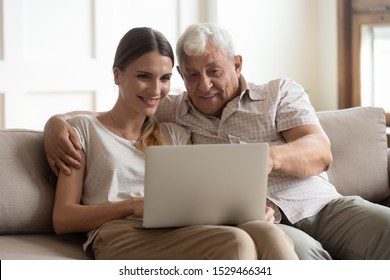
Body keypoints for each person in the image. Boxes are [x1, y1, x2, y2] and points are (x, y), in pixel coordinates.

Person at [46, 23, 390, 260]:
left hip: (318, 205)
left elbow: (320, 151)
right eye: (192, 74)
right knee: (287, 249)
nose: (204, 84)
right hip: (250, 219)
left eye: (214, 71)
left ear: (237, 64)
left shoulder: (275, 94)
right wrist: (54, 124)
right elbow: (105, 117)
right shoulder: (170, 112)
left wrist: (264, 159)